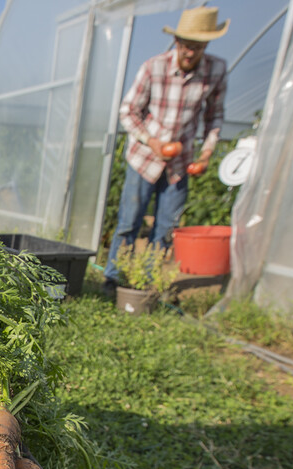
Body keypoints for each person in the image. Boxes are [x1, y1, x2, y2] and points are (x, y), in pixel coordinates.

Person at [102, 6, 229, 297]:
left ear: (206, 45)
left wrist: (207, 153)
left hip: (179, 163)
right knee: (128, 222)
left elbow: (214, 118)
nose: (189, 52)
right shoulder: (153, 67)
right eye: (185, 44)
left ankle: (148, 284)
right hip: (144, 158)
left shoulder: (216, 71)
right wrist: (152, 141)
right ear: (176, 41)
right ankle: (113, 279)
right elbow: (128, 110)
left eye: (196, 46)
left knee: (165, 228)